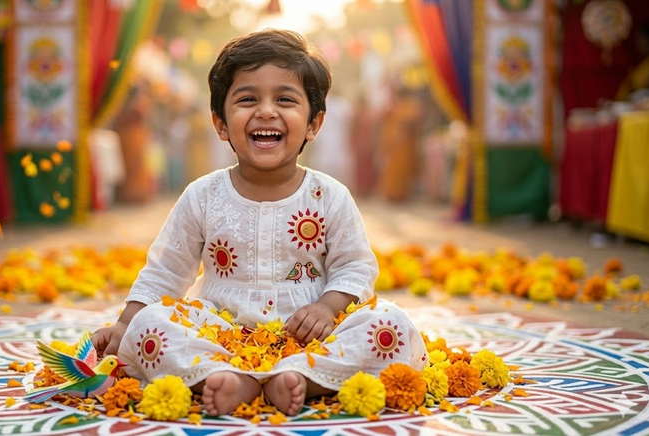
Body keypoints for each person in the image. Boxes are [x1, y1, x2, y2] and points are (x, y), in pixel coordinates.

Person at [91, 29, 427, 417]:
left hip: (310, 337)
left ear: (314, 124)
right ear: (220, 124)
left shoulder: (330, 196)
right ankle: (228, 377)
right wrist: (125, 324)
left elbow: (355, 266)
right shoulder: (203, 195)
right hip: (216, 333)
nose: (266, 111)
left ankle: (302, 377)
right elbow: (165, 271)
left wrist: (327, 307)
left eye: (285, 99)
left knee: (390, 325)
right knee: (150, 327)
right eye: (248, 99)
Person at [616, 23, 649, 101]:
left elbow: (645, 85)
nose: (639, 43)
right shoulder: (643, 63)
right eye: (637, 39)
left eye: (643, 39)